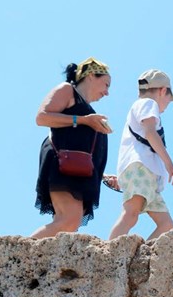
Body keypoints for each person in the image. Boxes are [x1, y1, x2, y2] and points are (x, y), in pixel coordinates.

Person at [31, 57, 114, 239]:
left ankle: (37, 258)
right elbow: (42, 117)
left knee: (68, 223)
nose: (107, 92)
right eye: (106, 84)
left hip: (80, 170)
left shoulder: (89, 109)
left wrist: (104, 176)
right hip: (62, 163)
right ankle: (20, 255)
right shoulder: (67, 90)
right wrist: (83, 120)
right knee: (69, 219)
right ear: (91, 76)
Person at [108, 69, 173, 241]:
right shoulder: (148, 104)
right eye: (168, 101)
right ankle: (108, 255)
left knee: (167, 225)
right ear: (163, 90)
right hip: (142, 168)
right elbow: (150, 133)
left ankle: (140, 257)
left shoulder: (142, 105)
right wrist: (170, 164)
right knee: (131, 213)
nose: (164, 108)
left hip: (147, 175)